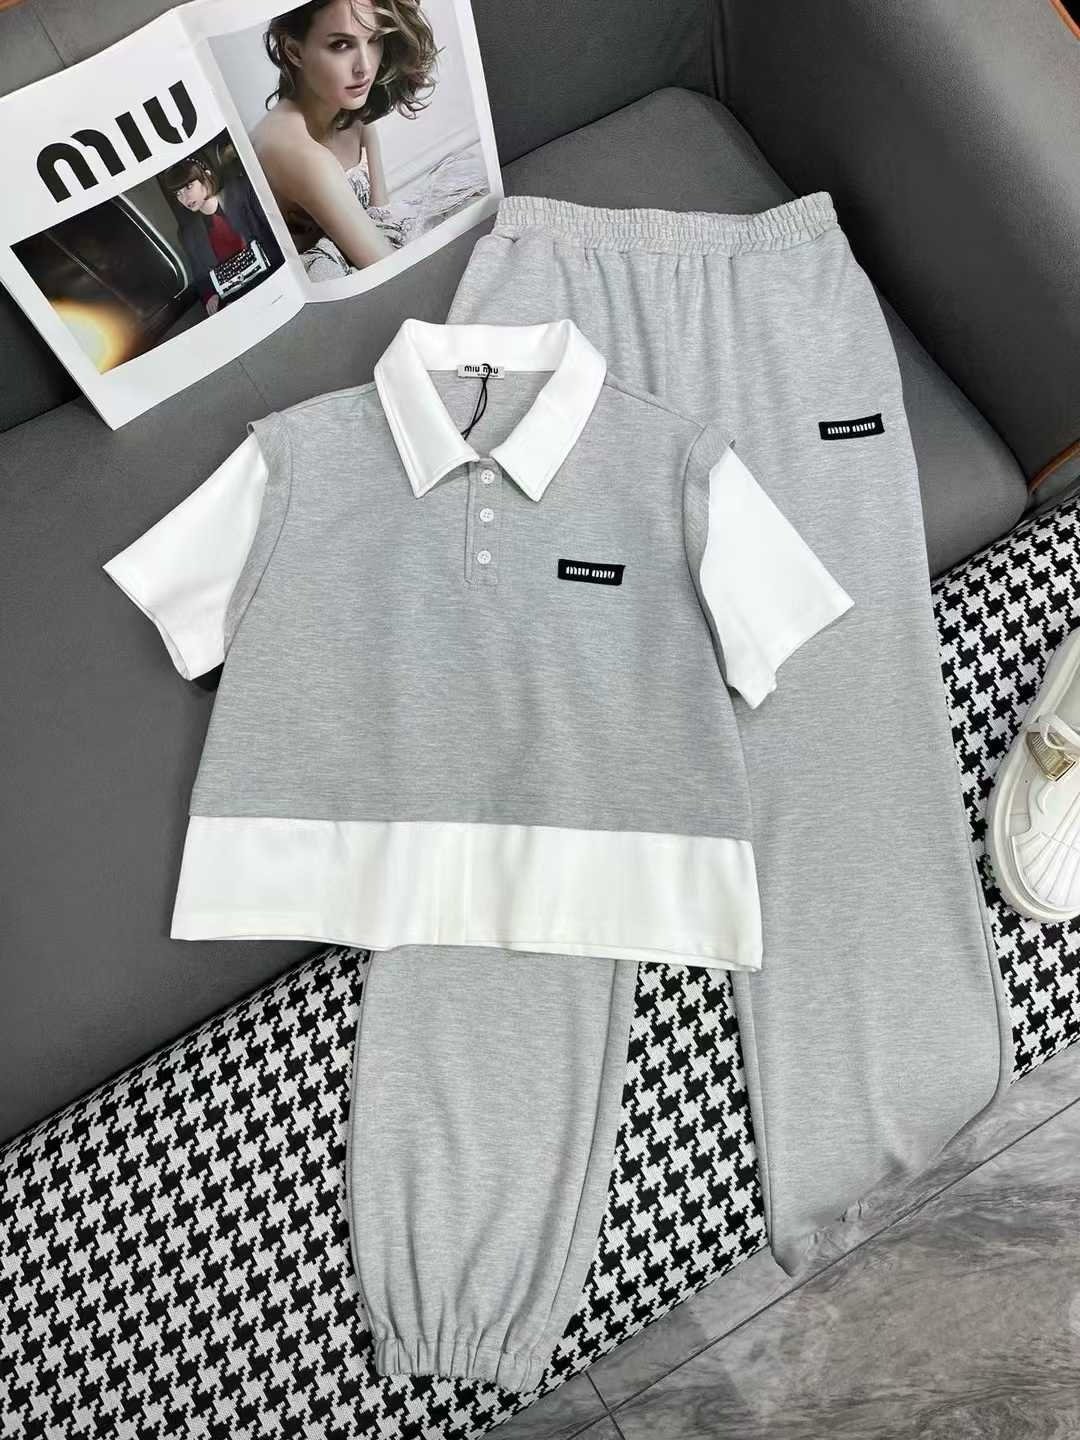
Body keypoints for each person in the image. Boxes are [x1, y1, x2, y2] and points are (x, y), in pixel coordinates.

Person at [252, 0, 438, 280]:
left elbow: (382, 215)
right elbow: (391, 271)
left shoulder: (353, 112)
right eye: (341, 45)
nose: (365, 67)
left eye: (374, 39)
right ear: (294, 51)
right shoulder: (294, 150)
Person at [161, 152, 283, 315]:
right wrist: (209, 296)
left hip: (273, 275)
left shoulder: (242, 191)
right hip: (235, 298)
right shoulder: (188, 232)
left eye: (188, 187)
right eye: (178, 193)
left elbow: (275, 231)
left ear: (205, 177)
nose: (185, 197)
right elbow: (200, 274)